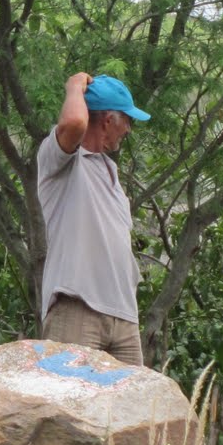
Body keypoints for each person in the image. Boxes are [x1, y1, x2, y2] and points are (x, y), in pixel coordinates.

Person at [37, 71, 150, 366]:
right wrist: (74, 85)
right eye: (127, 120)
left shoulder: (109, 170)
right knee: (70, 396)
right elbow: (74, 123)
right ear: (108, 120)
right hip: (77, 308)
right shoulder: (60, 162)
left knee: (133, 398)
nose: (129, 129)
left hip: (123, 315)